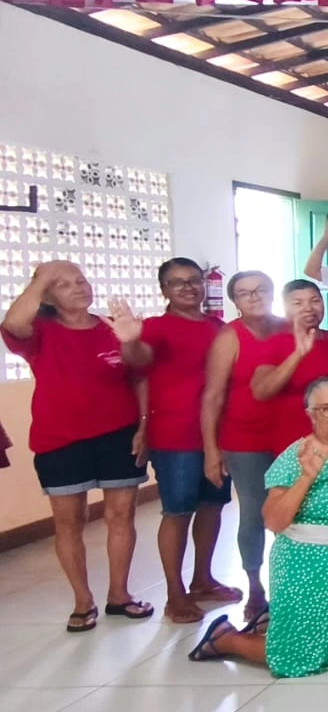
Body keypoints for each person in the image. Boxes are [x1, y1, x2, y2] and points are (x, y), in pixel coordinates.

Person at [187, 377, 328, 676]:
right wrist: (307, 477)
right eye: (327, 408)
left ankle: (273, 624)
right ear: (310, 413)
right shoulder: (298, 456)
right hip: (308, 564)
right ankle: (225, 638)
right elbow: (273, 520)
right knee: (297, 658)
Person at [2, 261, 150, 632]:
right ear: (48, 296)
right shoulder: (40, 331)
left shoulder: (109, 327)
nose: (78, 288)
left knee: (122, 516)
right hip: (61, 440)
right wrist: (43, 278)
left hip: (118, 435)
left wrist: (144, 425)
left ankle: (120, 595)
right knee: (69, 523)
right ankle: (83, 601)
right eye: (64, 285)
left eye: (81, 281)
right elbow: (12, 324)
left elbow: (139, 376)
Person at [121, 257, 236, 623]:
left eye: (193, 281)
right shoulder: (154, 328)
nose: (187, 288)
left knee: (212, 506)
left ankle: (203, 579)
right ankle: (175, 593)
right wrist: (129, 341)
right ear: (164, 290)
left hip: (218, 434)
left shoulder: (219, 327)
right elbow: (139, 361)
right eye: (177, 283)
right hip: (175, 435)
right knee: (178, 511)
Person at [202, 270, 287, 623]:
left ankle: (290, 582)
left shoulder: (287, 327)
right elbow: (213, 395)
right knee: (253, 511)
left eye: (261, 290)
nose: (254, 297)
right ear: (235, 300)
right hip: (244, 439)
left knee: (294, 511)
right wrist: (211, 448)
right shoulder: (229, 336)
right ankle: (254, 583)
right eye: (244, 292)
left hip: (289, 435)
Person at [251, 280, 328, 455]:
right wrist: (298, 354)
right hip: (295, 442)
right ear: (284, 308)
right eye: (298, 303)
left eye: (315, 301)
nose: (308, 308)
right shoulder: (275, 342)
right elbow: (262, 391)